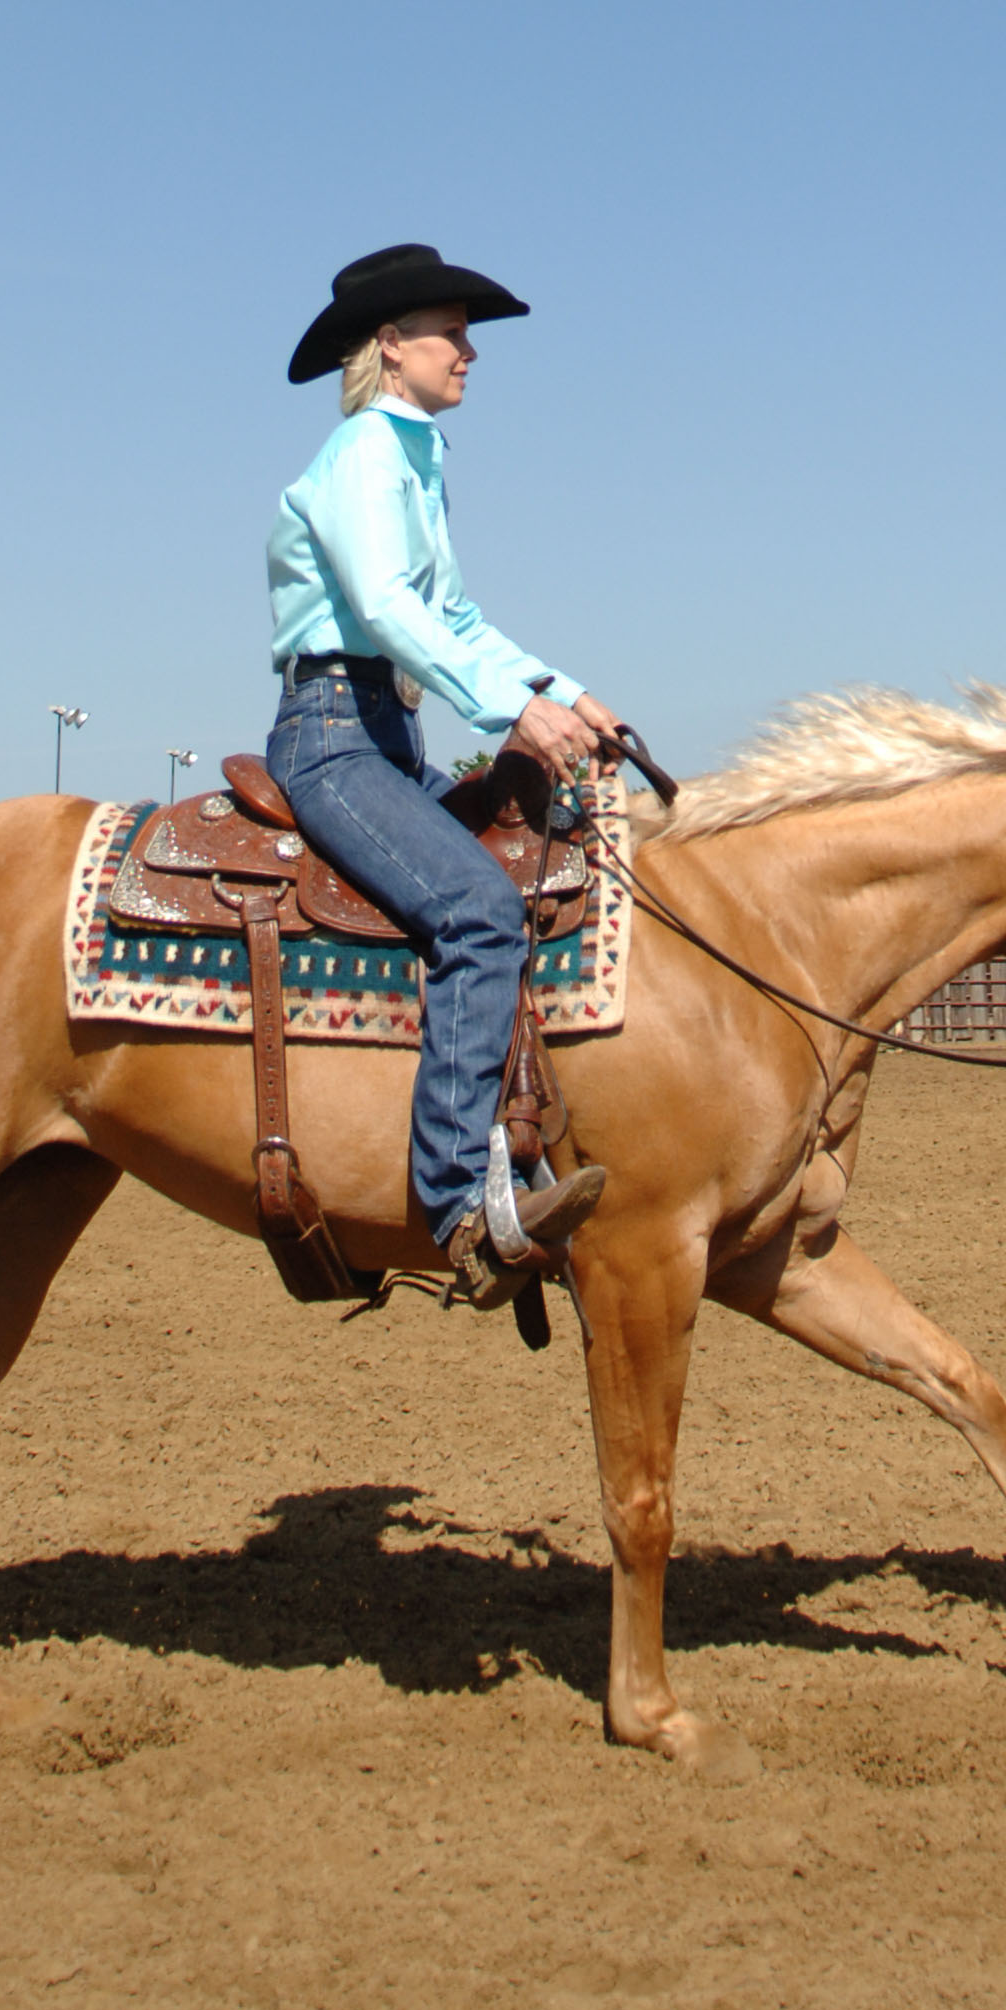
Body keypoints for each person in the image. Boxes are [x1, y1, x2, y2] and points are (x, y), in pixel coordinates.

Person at [265, 243, 612, 1306]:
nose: (468, 352)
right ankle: (462, 1203)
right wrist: (512, 708)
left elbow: (452, 614)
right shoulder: (366, 451)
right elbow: (385, 606)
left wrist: (566, 688)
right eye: (448, 333)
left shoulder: (415, 455)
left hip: (387, 734)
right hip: (333, 732)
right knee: (474, 907)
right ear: (389, 344)